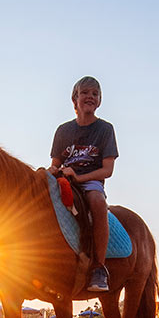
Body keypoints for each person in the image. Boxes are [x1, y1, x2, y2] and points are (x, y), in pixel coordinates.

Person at [48, 76, 118, 292]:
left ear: (99, 102)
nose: (90, 97)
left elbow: (108, 170)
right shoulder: (63, 130)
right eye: (85, 93)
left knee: (97, 202)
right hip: (63, 179)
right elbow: (55, 163)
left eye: (95, 94)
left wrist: (79, 178)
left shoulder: (105, 130)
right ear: (74, 99)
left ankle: (99, 267)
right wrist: (50, 172)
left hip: (90, 181)